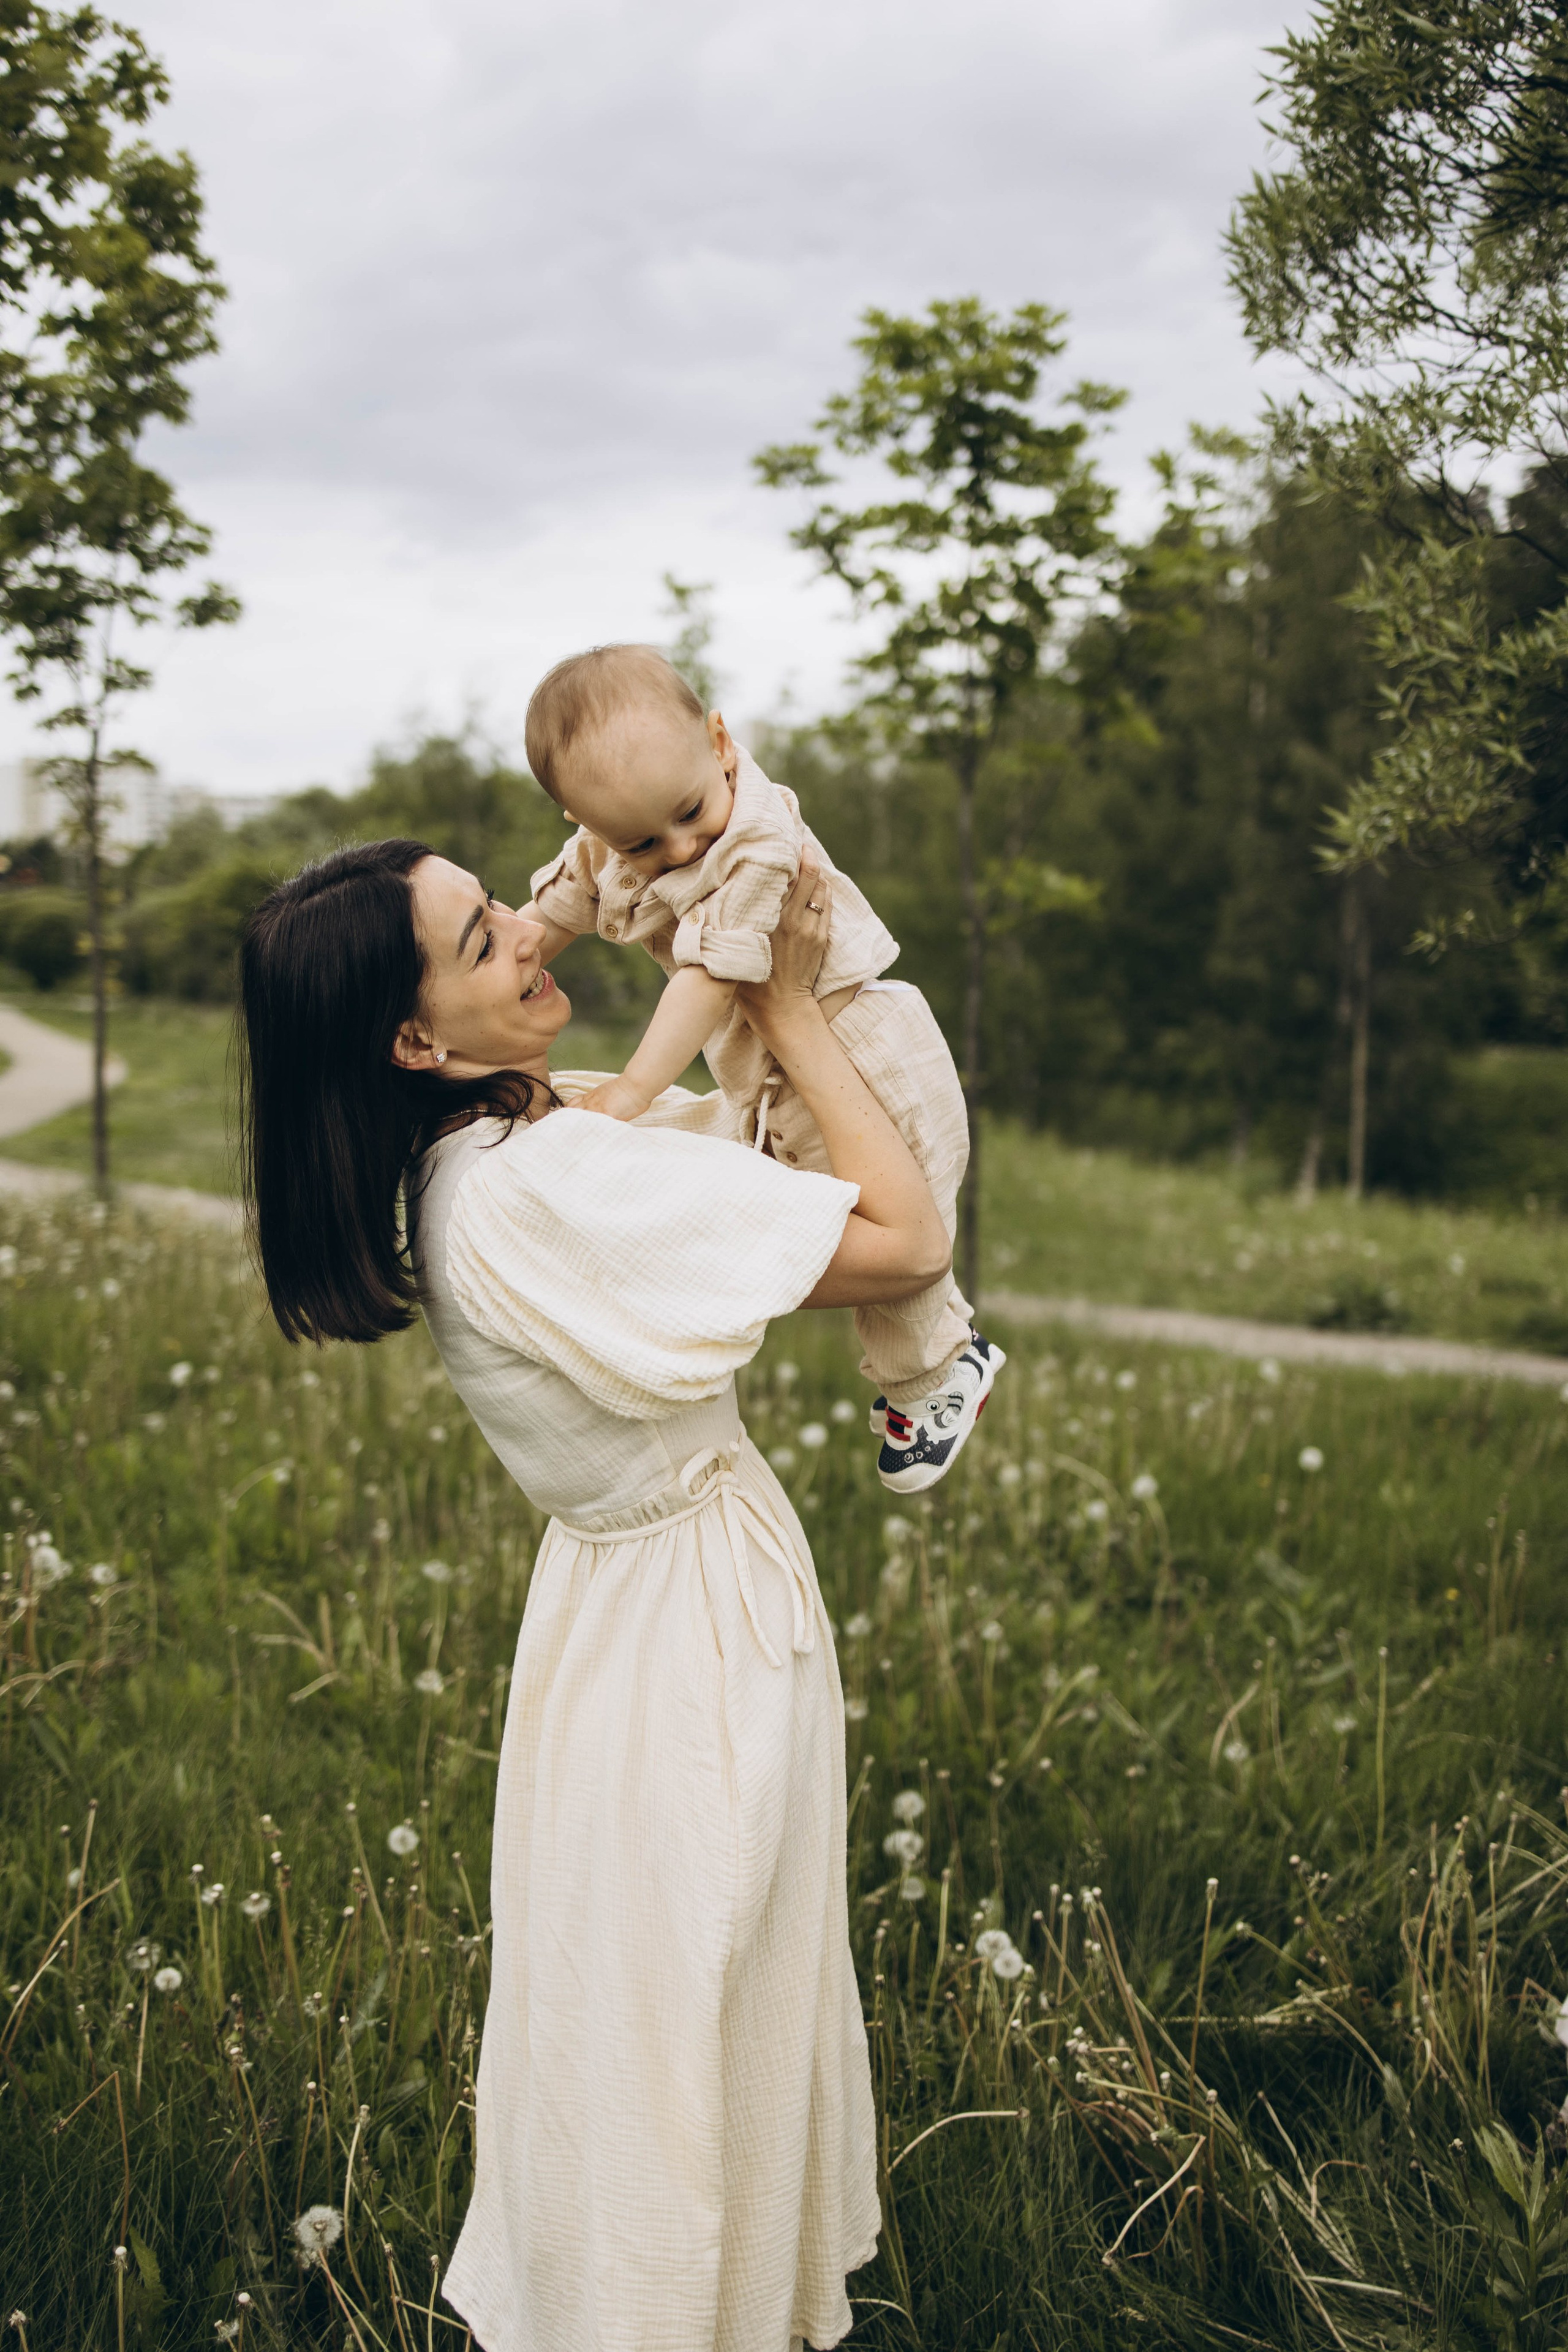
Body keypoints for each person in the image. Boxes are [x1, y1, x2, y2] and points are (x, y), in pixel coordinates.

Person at [238, 835, 956, 2352]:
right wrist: (791, 1003)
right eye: (478, 936)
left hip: (617, 1612)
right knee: (686, 2008)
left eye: (498, 900)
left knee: (640, 2002)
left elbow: (734, 1163)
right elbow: (906, 1240)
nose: (527, 930)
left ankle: (667, 2308)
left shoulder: (494, 1150)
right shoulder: (544, 1181)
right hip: (688, 1631)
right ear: (413, 1041)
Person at [521, 642, 1005, 1493]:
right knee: (832, 1216)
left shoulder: (756, 842)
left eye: (690, 812)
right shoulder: (615, 839)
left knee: (889, 1234)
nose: (682, 846)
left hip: (862, 1048)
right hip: (777, 1064)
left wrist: (633, 1089)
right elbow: (552, 913)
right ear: (583, 820)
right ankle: (943, 1359)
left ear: (718, 742)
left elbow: (711, 979)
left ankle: (935, 1379)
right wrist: (503, 965)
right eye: (643, 841)